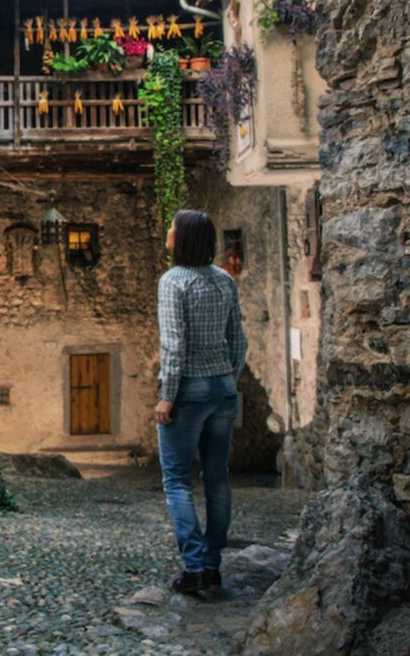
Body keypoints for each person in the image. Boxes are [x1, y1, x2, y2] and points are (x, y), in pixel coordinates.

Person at [154, 209, 247, 594]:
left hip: (188, 389)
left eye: (172, 227)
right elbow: (238, 341)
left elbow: (174, 346)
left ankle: (193, 567)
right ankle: (212, 565)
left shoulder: (173, 282)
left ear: (184, 238)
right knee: (217, 477)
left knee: (176, 480)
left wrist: (167, 396)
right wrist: (228, 379)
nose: (168, 230)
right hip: (223, 387)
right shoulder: (225, 280)